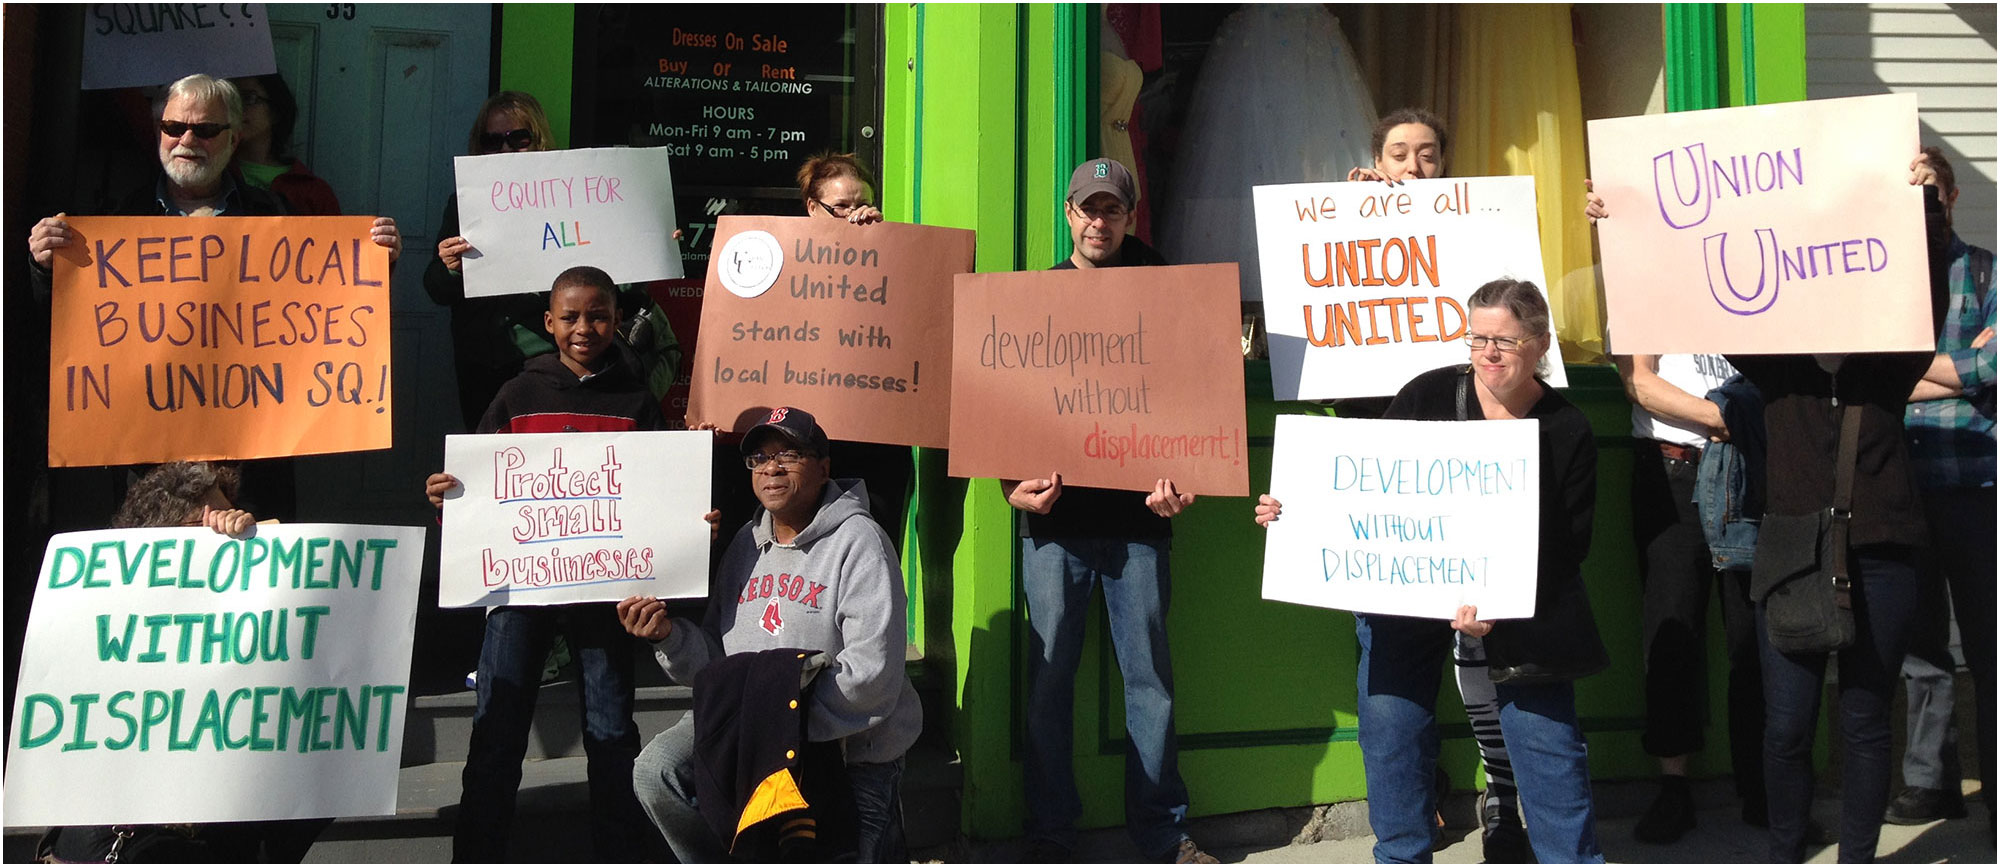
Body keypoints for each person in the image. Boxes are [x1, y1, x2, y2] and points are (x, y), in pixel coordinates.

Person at [1589, 152, 1956, 863]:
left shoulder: (1890, 362)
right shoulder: (1774, 367)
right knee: (1786, 725)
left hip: (1882, 556)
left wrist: (1927, 212)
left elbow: (1928, 295)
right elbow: (1698, 287)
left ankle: (1856, 856)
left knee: (1864, 718)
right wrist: (1624, 231)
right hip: (1791, 557)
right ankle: (1784, 852)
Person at [1255, 279, 1606, 864]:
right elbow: (1366, 482)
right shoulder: (1429, 393)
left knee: (1548, 742)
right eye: (1478, 338)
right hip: (1410, 593)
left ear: (1541, 344)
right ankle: (1401, 855)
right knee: (1390, 723)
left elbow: (1571, 547)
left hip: (1518, 608)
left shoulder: (1567, 427)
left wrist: (1501, 601)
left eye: (1506, 341)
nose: (1488, 353)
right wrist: (1293, 512)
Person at [25, 73, 400, 523]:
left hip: (255, 460)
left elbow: (328, 307)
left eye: (204, 130)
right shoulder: (118, 223)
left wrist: (376, 260)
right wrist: (47, 267)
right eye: (172, 128)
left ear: (233, 138)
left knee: (254, 587)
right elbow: (75, 329)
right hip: (152, 463)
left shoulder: (275, 217)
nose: (186, 140)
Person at [1007, 157, 1215, 865]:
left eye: (1113, 210)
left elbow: (1195, 394)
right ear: (1068, 213)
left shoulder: (1167, 291)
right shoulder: (1034, 299)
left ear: (1130, 216)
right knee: (1049, 682)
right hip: (1056, 525)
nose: (1100, 222)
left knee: (1151, 682)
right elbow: (1005, 399)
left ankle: (1163, 832)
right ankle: (1050, 833)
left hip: (1139, 523)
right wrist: (1011, 483)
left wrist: (1185, 477)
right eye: (1088, 208)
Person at [422, 266, 666, 862]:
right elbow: (476, 495)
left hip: (605, 594)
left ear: (617, 319)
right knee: (498, 736)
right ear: (549, 323)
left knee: (611, 735)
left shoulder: (638, 400)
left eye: (600, 314)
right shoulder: (516, 395)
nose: (586, 328)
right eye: (572, 316)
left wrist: (690, 523)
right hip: (518, 594)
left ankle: (618, 853)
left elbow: (661, 492)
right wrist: (447, 500)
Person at [1337, 107, 1530, 861]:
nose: (1413, 167)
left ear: (1446, 166)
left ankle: (1505, 809)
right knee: (1392, 667)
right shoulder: (1351, 229)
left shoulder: (1482, 245)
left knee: (1496, 662)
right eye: (1397, 154)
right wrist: (1351, 219)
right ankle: (1404, 843)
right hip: (1383, 485)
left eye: (1427, 155)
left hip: (1475, 478)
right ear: (1375, 162)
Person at [621, 406, 920, 863]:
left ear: (823, 467)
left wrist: (778, 724)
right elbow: (716, 665)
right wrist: (667, 637)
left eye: (789, 454)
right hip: (758, 726)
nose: (772, 468)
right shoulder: (744, 543)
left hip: (847, 742)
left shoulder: (861, 542)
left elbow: (872, 677)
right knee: (655, 772)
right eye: (759, 458)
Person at [1583, 177, 1765, 840]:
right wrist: (1726, 419)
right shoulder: (1649, 277)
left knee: (1753, 633)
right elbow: (1640, 380)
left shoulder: (1762, 272)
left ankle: (1761, 782)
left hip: (1747, 471)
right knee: (1671, 631)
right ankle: (1674, 785)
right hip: (1674, 469)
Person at [38, 462, 333, 864]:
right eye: (213, 521)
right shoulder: (106, 623)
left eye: (235, 515)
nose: (237, 525)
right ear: (168, 539)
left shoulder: (248, 634)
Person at [1889, 145, 1994, 828]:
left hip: (1975, 479)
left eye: (1930, 190)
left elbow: (1993, 368)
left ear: (1951, 196)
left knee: (1988, 638)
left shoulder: (1986, 270)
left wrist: (1907, 371)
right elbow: (1870, 364)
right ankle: (1931, 781)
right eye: (1910, 192)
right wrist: (1960, 367)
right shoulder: (1879, 276)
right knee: (1918, 642)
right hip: (1898, 482)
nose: (1922, 205)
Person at [423, 91, 571, 431]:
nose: (505, 150)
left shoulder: (566, 198)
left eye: (518, 138)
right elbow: (434, 287)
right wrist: (448, 267)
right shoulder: (463, 204)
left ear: (539, 142)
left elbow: (606, 274)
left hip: (547, 358)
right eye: (493, 141)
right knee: (488, 462)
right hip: (481, 362)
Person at [227, 73, 341, 215]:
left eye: (248, 98)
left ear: (276, 111)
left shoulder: (312, 191)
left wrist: (375, 235)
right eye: (230, 101)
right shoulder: (212, 180)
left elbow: (337, 236)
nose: (236, 109)